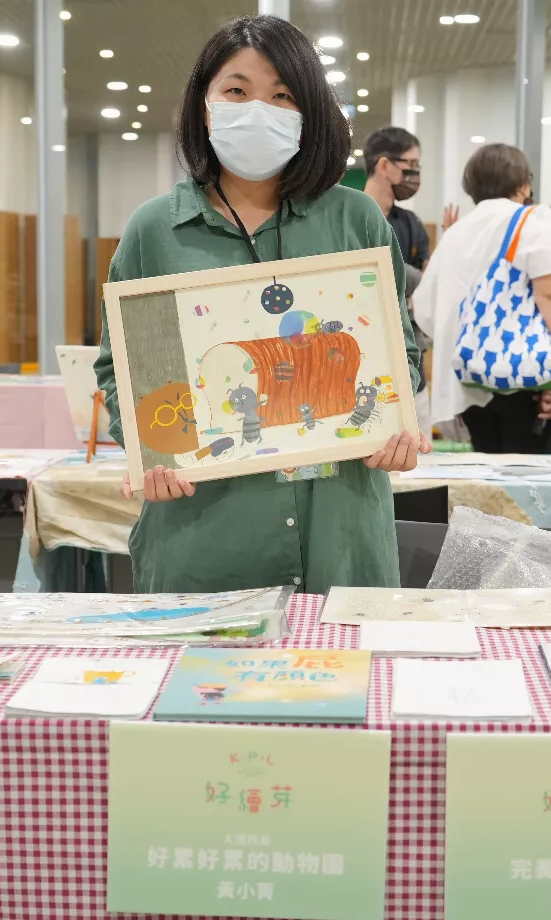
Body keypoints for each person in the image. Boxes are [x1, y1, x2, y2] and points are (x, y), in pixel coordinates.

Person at [93, 14, 426, 594]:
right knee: (199, 687)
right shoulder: (155, 230)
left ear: (310, 113)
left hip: (340, 537)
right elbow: (120, 369)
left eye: (282, 96)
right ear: (205, 104)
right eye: (237, 91)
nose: (258, 109)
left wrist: (396, 425)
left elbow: (399, 351)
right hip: (206, 534)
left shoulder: (355, 220)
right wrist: (153, 449)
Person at [413, 144, 551, 454]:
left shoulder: (455, 234)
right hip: (526, 378)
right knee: (529, 484)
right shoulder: (536, 223)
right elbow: (549, 296)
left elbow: (427, 311)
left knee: (490, 484)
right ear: (523, 184)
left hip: (471, 383)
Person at [362, 126, 429, 282]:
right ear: (384, 165)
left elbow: (425, 280)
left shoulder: (412, 223)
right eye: (411, 163)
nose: (415, 172)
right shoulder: (347, 217)